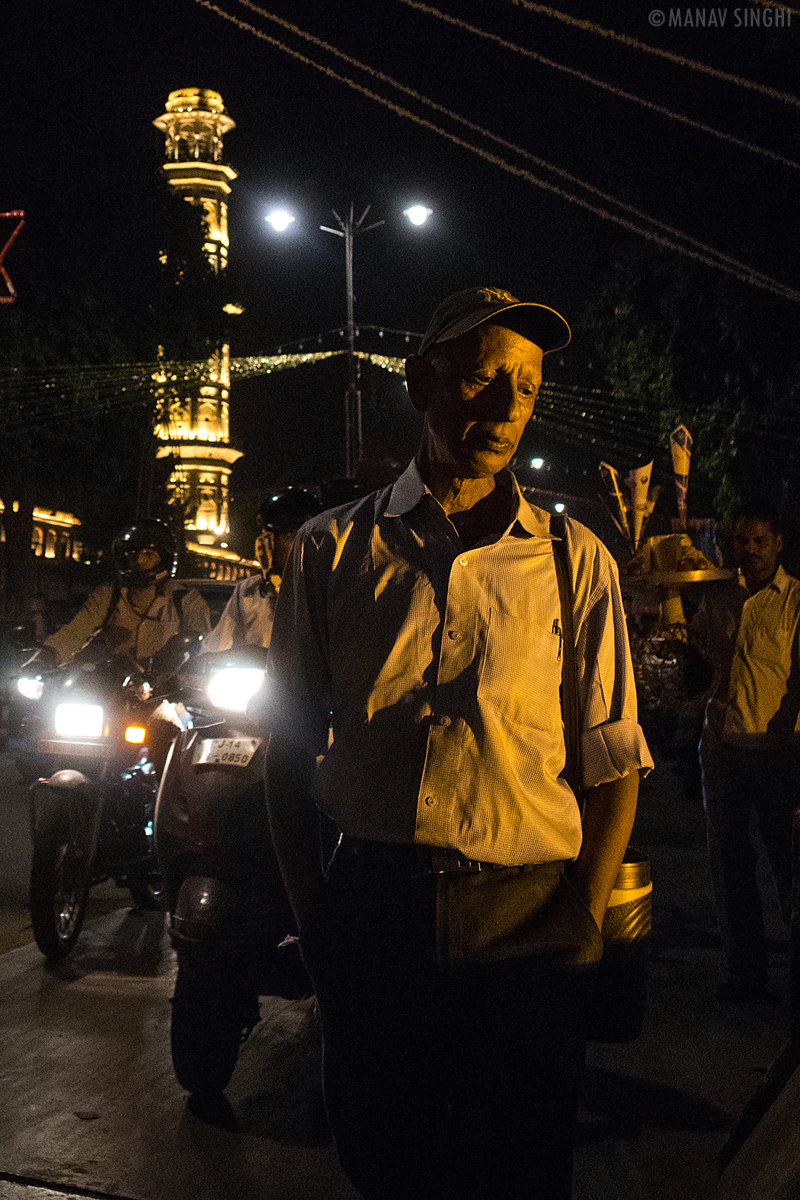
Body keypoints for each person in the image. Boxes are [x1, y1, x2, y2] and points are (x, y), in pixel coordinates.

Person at [263, 286, 653, 1200]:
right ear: (420, 383)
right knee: (384, 1158)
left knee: (518, 1169)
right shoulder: (329, 552)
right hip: (374, 911)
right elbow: (285, 754)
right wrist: (316, 915)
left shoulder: (574, 558)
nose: (505, 407)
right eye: (482, 380)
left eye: (524, 389)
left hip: (526, 922)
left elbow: (613, 760)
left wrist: (579, 920)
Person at [691, 508, 800, 1001]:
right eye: (741, 541)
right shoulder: (719, 597)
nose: (750, 550)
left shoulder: (796, 602)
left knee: (789, 862)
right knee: (729, 862)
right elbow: (700, 661)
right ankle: (743, 973)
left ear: (778, 543)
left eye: (760, 541)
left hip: (778, 750)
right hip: (721, 746)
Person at [39, 518, 210, 668]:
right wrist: (44, 658)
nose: (138, 561)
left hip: (166, 688)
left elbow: (201, 642)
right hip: (114, 684)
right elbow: (74, 632)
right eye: (131, 554)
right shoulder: (109, 595)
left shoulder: (186, 599)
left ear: (163, 558)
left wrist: (175, 657)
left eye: (147, 554)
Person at [200, 487, 322, 654]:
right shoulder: (249, 591)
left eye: (288, 535)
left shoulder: (328, 590)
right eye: (269, 538)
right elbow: (218, 644)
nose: (271, 546)